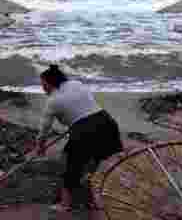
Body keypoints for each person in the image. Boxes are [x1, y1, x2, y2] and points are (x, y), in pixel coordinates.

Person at [36, 64, 123, 212]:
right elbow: (82, 106)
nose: (42, 88)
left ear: (50, 83)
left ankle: (65, 204)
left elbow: (44, 129)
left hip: (84, 131)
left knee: (69, 166)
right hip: (107, 123)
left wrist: (40, 146)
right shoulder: (77, 84)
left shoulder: (53, 101)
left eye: (43, 84)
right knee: (101, 164)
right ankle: (99, 197)